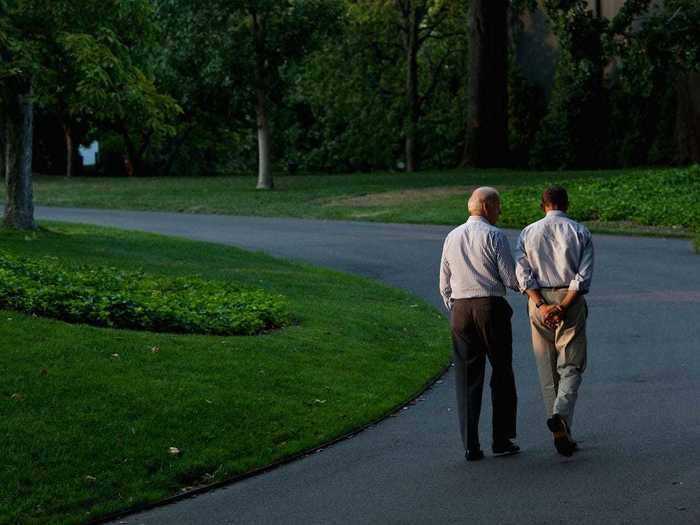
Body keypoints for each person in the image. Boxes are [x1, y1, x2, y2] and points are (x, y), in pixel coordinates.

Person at [439, 187, 520, 462]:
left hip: (460, 309)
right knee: (502, 372)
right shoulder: (495, 236)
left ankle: (470, 444)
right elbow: (510, 278)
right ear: (486, 207)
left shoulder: (452, 236)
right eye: (498, 206)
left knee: (466, 377)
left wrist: (454, 306)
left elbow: (444, 280)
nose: (500, 211)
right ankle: (501, 439)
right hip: (490, 307)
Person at [515, 186, 594, 457]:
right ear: (567, 204)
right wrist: (561, 306)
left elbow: (522, 273)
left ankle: (559, 427)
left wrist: (541, 304)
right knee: (571, 364)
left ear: (543, 205)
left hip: (538, 301)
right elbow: (582, 276)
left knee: (546, 368)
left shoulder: (528, 232)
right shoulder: (580, 231)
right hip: (568, 299)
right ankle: (561, 418)